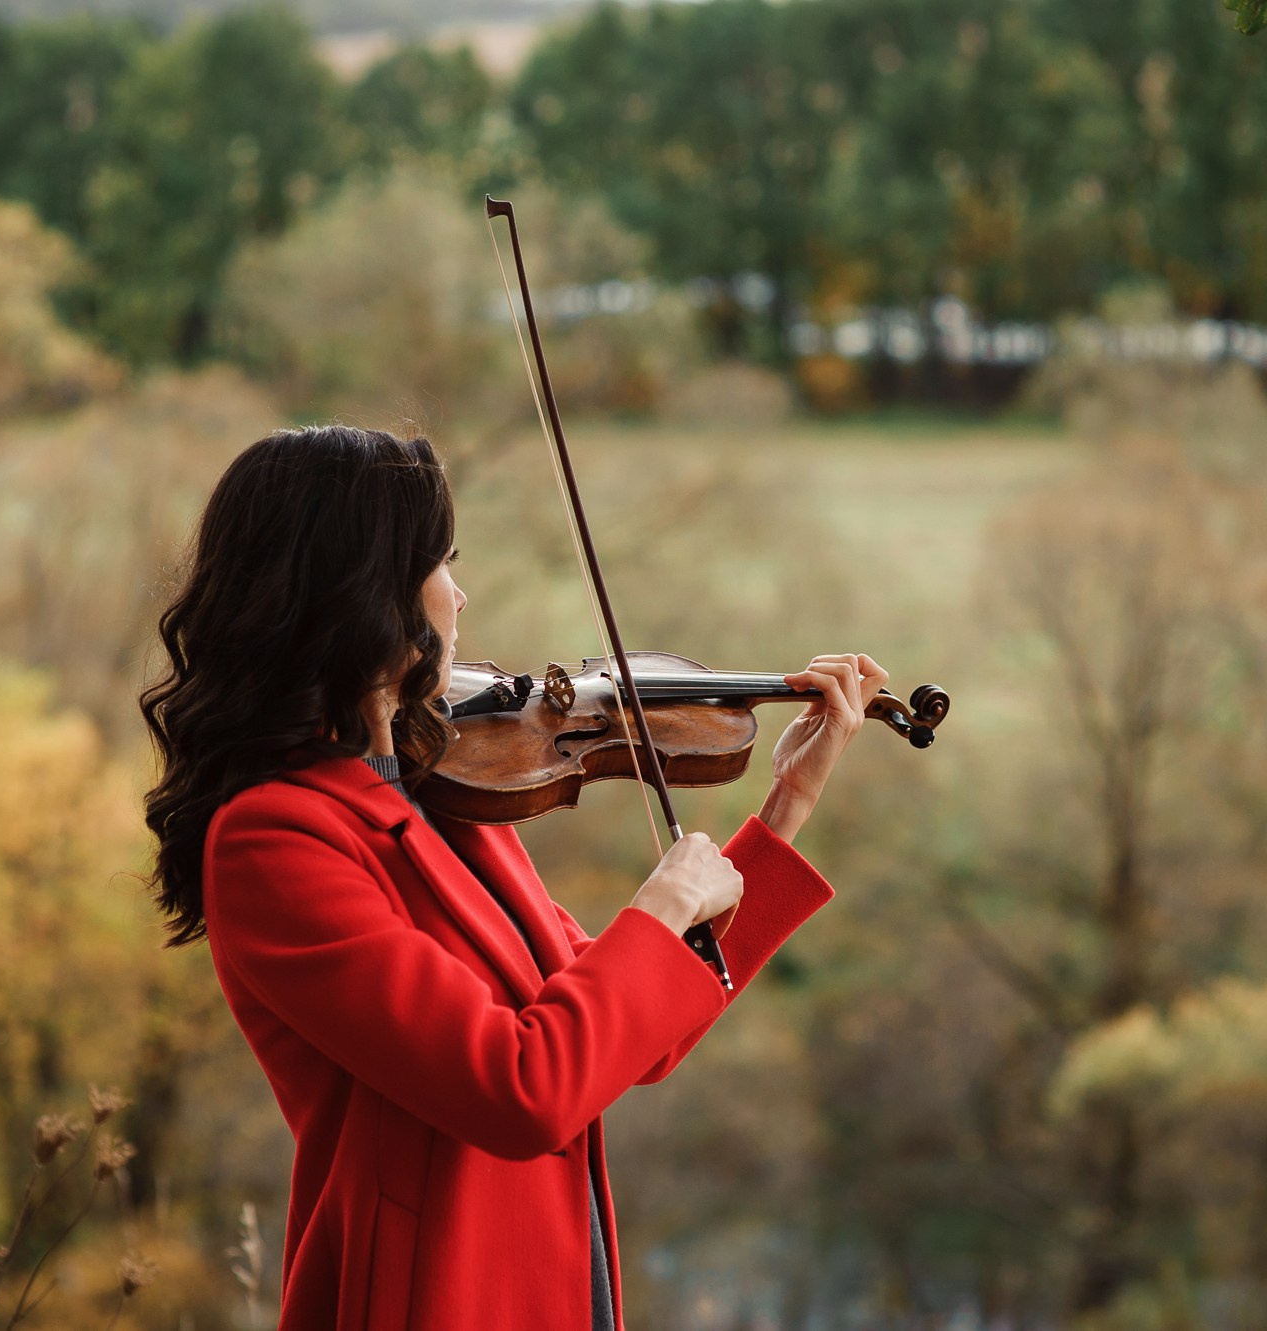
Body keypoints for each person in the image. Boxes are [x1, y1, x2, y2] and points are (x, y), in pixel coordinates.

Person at [141, 426, 888, 1331]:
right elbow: (523, 1087)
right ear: (362, 589)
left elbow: (625, 1037)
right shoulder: (274, 842)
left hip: (559, 1291)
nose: (460, 594)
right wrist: (660, 903)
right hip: (433, 1302)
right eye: (441, 563)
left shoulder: (446, 800)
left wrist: (786, 806)